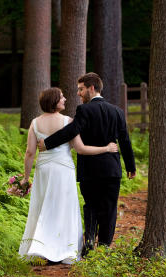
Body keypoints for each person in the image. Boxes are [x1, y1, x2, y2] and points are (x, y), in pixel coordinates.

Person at [38, 73, 136, 257]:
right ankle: (105, 247)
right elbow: (124, 140)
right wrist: (131, 167)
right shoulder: (118, 112)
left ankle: (89, 242)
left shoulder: (84, 111)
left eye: (81, 89)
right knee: (109, 207)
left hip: (90, 168)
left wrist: (47, 143)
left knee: (90, 204)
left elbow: (72, 131)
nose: (78, 93)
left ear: (92, 88)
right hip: (112, 169)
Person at [18, 87, 118, 264]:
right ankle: (65, 249)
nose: (65, 99)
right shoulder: (68, 122)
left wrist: (26, 178)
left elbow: (29, 153)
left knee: (43, 207)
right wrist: (106, 148)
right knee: (64, 207)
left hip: (44, 169)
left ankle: (41, 247)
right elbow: (80, 148)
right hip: (63, 169)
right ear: (54, 101)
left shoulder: (34, 123)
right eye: (61, 97)